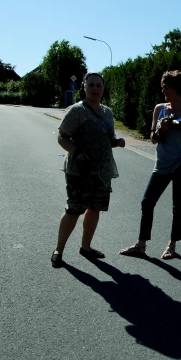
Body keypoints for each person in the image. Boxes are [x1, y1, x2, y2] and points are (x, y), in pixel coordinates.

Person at [120, 70, 181, 260]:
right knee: (147, 201)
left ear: (177, 88)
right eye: (162, 86)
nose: (163, 90)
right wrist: (162, 128)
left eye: (166, 86)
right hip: (162, 163)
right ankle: (141, 244)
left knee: (178, 205)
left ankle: (172, 245)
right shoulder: (159, 108)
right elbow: (153, 139)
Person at [51, 72, 125, 267]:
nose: (95, 88)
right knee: (74, 210)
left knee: (95, 209)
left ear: (103, 88)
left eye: (98, 85)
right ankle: (59, 249)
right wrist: (75, 151)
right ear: (84, 87)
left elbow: (108, 139)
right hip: (79, 171)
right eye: (91, 85)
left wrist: (117, 142)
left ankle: (86, 247)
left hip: (102, 171)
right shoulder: (76, 111)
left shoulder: (107, 112)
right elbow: (62, 137)